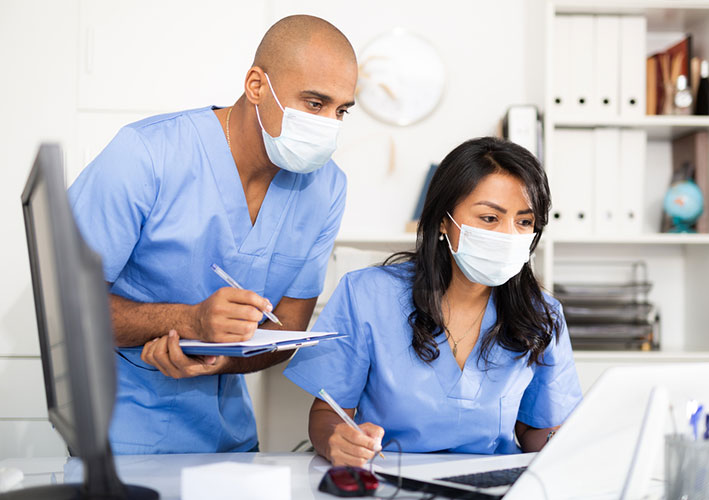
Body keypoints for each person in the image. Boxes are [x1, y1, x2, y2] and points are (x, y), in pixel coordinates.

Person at [67, 15, 358, 454]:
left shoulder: (326, 188)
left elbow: (289, 328)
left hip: (230, 443)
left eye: (340, 111)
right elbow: (66, 307)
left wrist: (222, 359)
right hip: (121, 437)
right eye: (315, 104)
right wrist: (187, 321)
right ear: (257, 85)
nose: (328, 125)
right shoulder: (146, 155)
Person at [284, 137, 583, 466]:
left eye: (524, 222)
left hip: (489, 486)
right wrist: (337, 440)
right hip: (390, 482)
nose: (509, 235)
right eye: (489, 218)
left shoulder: (541, 314)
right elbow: (329, 413)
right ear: (444, 220)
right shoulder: (368, 295)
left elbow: (536, 430)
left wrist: (567, 441)